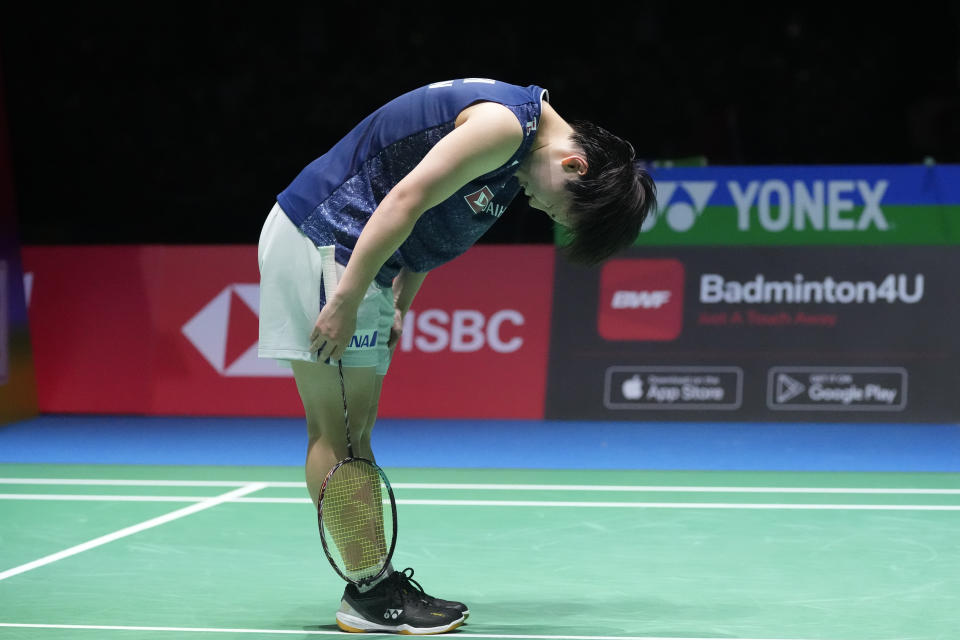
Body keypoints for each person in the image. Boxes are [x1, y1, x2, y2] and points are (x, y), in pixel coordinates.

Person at [257, 78, 656, 634]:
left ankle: (375, 586)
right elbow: (406, 197)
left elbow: (429, 223)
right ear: (575, 167)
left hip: (362, 257)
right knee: (339, 431)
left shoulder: (519, 154)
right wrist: (347, 295)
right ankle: (370, 595)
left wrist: (399, 298)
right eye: (558, 211)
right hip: (330, 243)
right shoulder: (504, 128)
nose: (542, 209)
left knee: (356, 431)